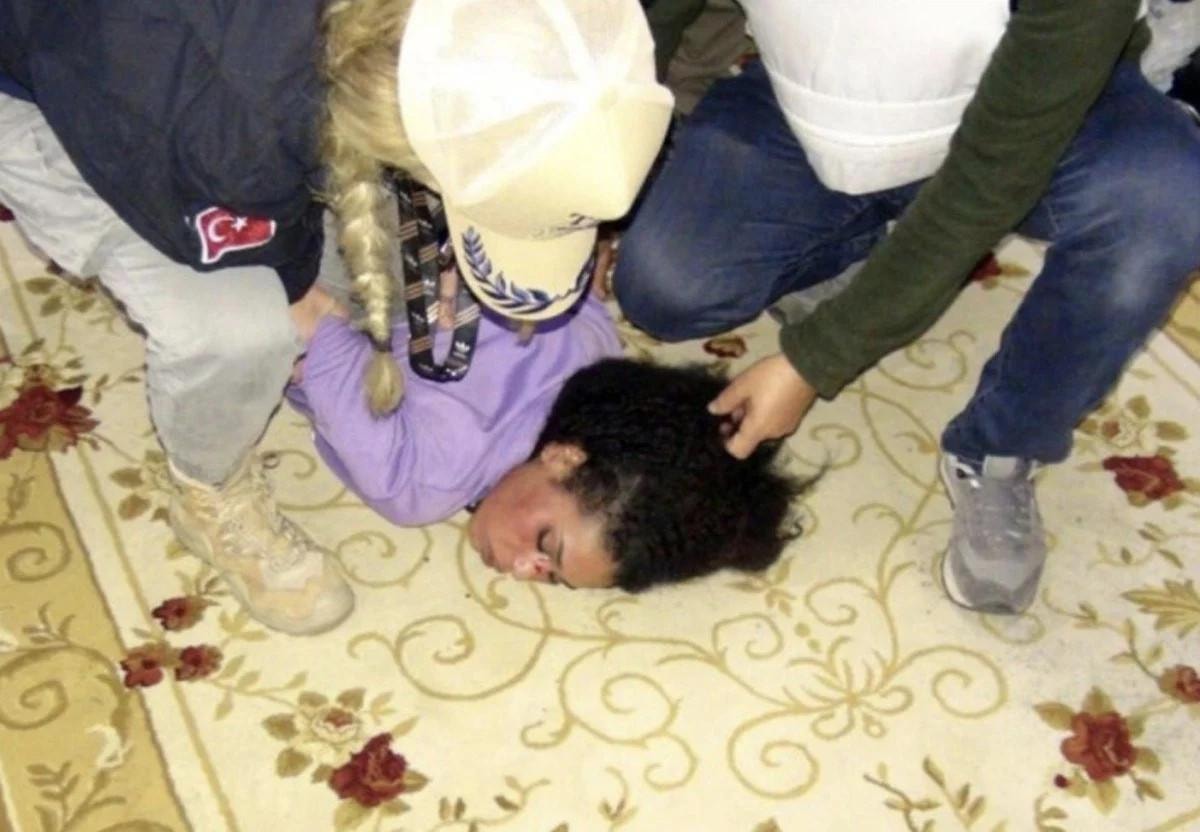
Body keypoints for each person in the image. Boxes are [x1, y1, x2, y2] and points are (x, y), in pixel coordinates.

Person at [0, 0, 672, 633]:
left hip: (190, 85)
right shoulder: (242, 145)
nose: (527, 569)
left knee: (342, 241)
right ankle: (206, 482)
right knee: (242, 330)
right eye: (547, 548)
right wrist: (306, 296)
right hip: (44, 88)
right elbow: (293, 290)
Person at [614, 0, 1200, 614]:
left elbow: (988, 180)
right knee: (666, 287)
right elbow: (645, 20)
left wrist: (816, 359)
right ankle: (867, 248)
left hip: (1045, 116)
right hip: (823, 97)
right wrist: (606, 186)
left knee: (1163, 203)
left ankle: (999, 449)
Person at [288, 285, 801, 591]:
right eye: (544, 545)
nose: (518, 570)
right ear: (564, 458)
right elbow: (313, 316)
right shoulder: (418, 483)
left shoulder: (593, 344)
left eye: (549, 576)